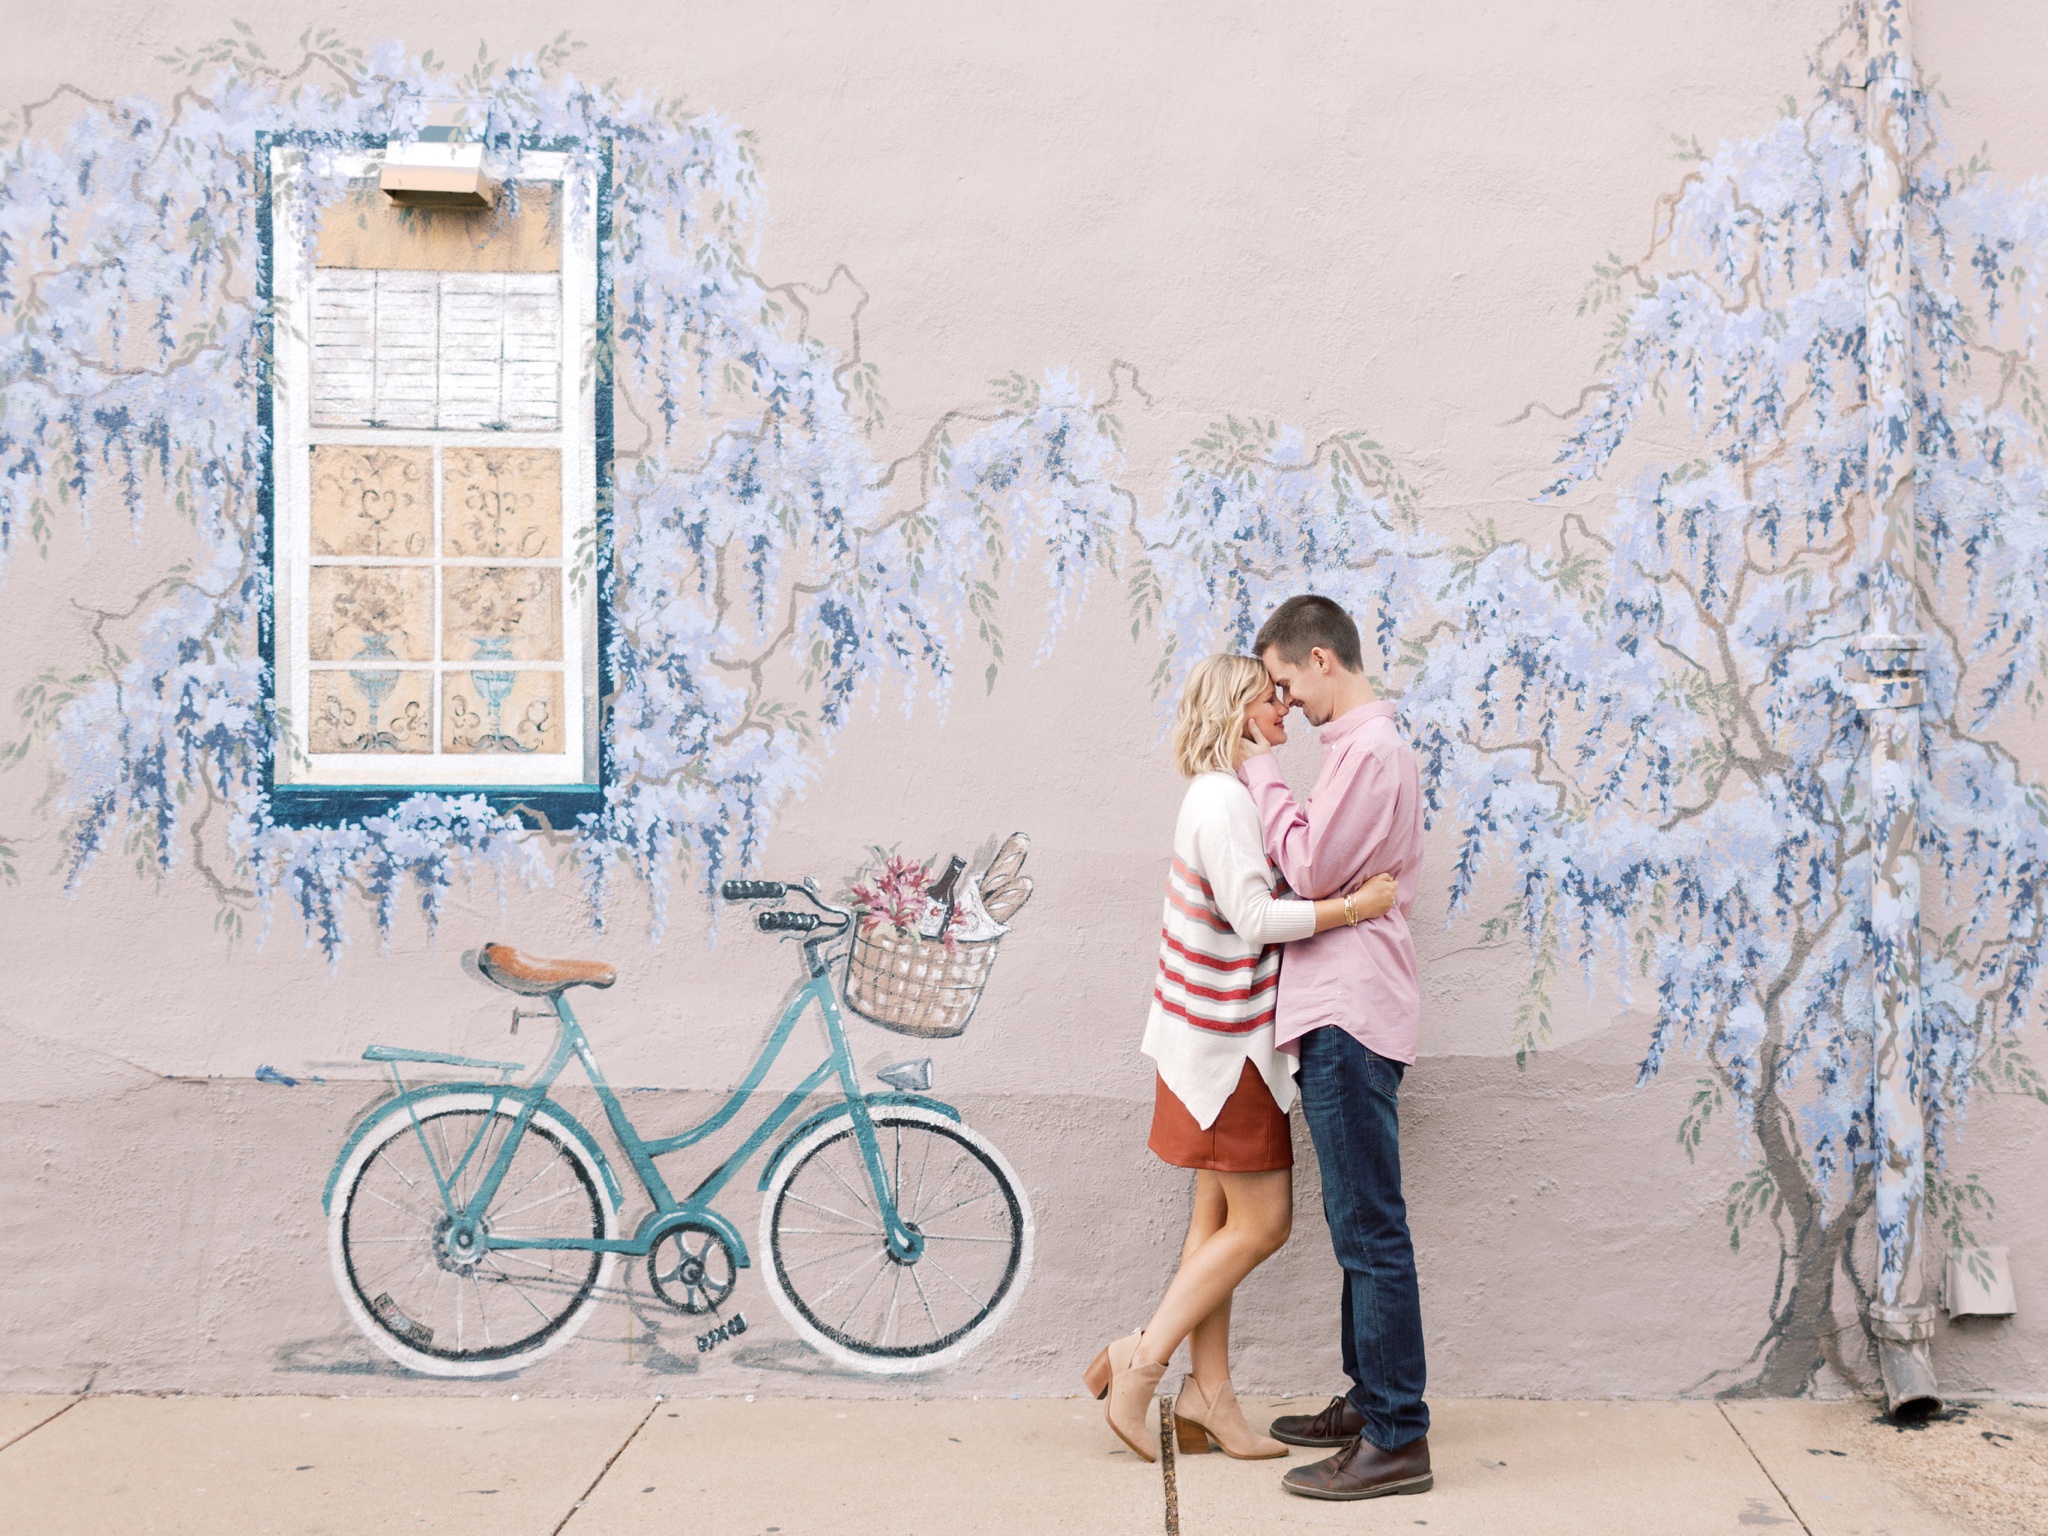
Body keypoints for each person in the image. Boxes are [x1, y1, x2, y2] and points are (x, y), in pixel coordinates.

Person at [1085, 653, 1400, 1463]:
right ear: (1237, 710)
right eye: (1270, 701)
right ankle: (1142, 1358)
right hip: (1227, 1052)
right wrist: (1352, 907)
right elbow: (1257, 917)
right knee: (1264, 1223)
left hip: (1206, 1044)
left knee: (1214, 1225)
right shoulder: (1224, 800)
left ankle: (1210, 1398)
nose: (1284, 713)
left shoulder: (1221, 796)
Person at [1239, 593, 1433, 1502]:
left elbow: (1310, 871)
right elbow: (1325, 870)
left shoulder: (1369, 751)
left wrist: (1259, 774)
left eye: (1285, 680)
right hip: (1341, 1006)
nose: (1286, 703)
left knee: (1369, 1229)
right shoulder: (1359, 754)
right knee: (1355, 1224)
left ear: (1323, 660)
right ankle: (1370, 1403)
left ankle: (1397, 1435)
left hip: (1350, 1012)